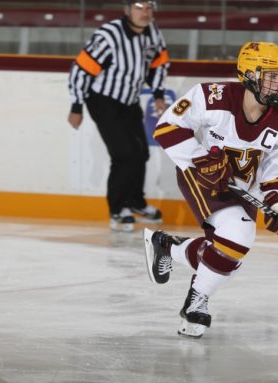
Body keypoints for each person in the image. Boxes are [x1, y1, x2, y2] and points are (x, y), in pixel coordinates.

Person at [143, 41, 278, 338]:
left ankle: (170, 247)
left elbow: (277, 174)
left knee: (230, 254)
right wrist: (202, 161)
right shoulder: (211, 96)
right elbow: (167, 127)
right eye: (271, 75)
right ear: (249, 75)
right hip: (202, 178)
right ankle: (196, 302)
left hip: (243, 191)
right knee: (239, 237)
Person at [67, 0, 170, 232]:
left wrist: (158, 94)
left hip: (130, 100)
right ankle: (117, 210)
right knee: (124, 154)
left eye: (149, 8)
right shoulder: (108, 35)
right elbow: (82, 69)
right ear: (127, 10)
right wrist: (76, 105)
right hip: (102, 100)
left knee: (141, 153)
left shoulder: (153, 32)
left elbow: (159, 63)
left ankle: (135, 202)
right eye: (139, 7)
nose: (145, 12)